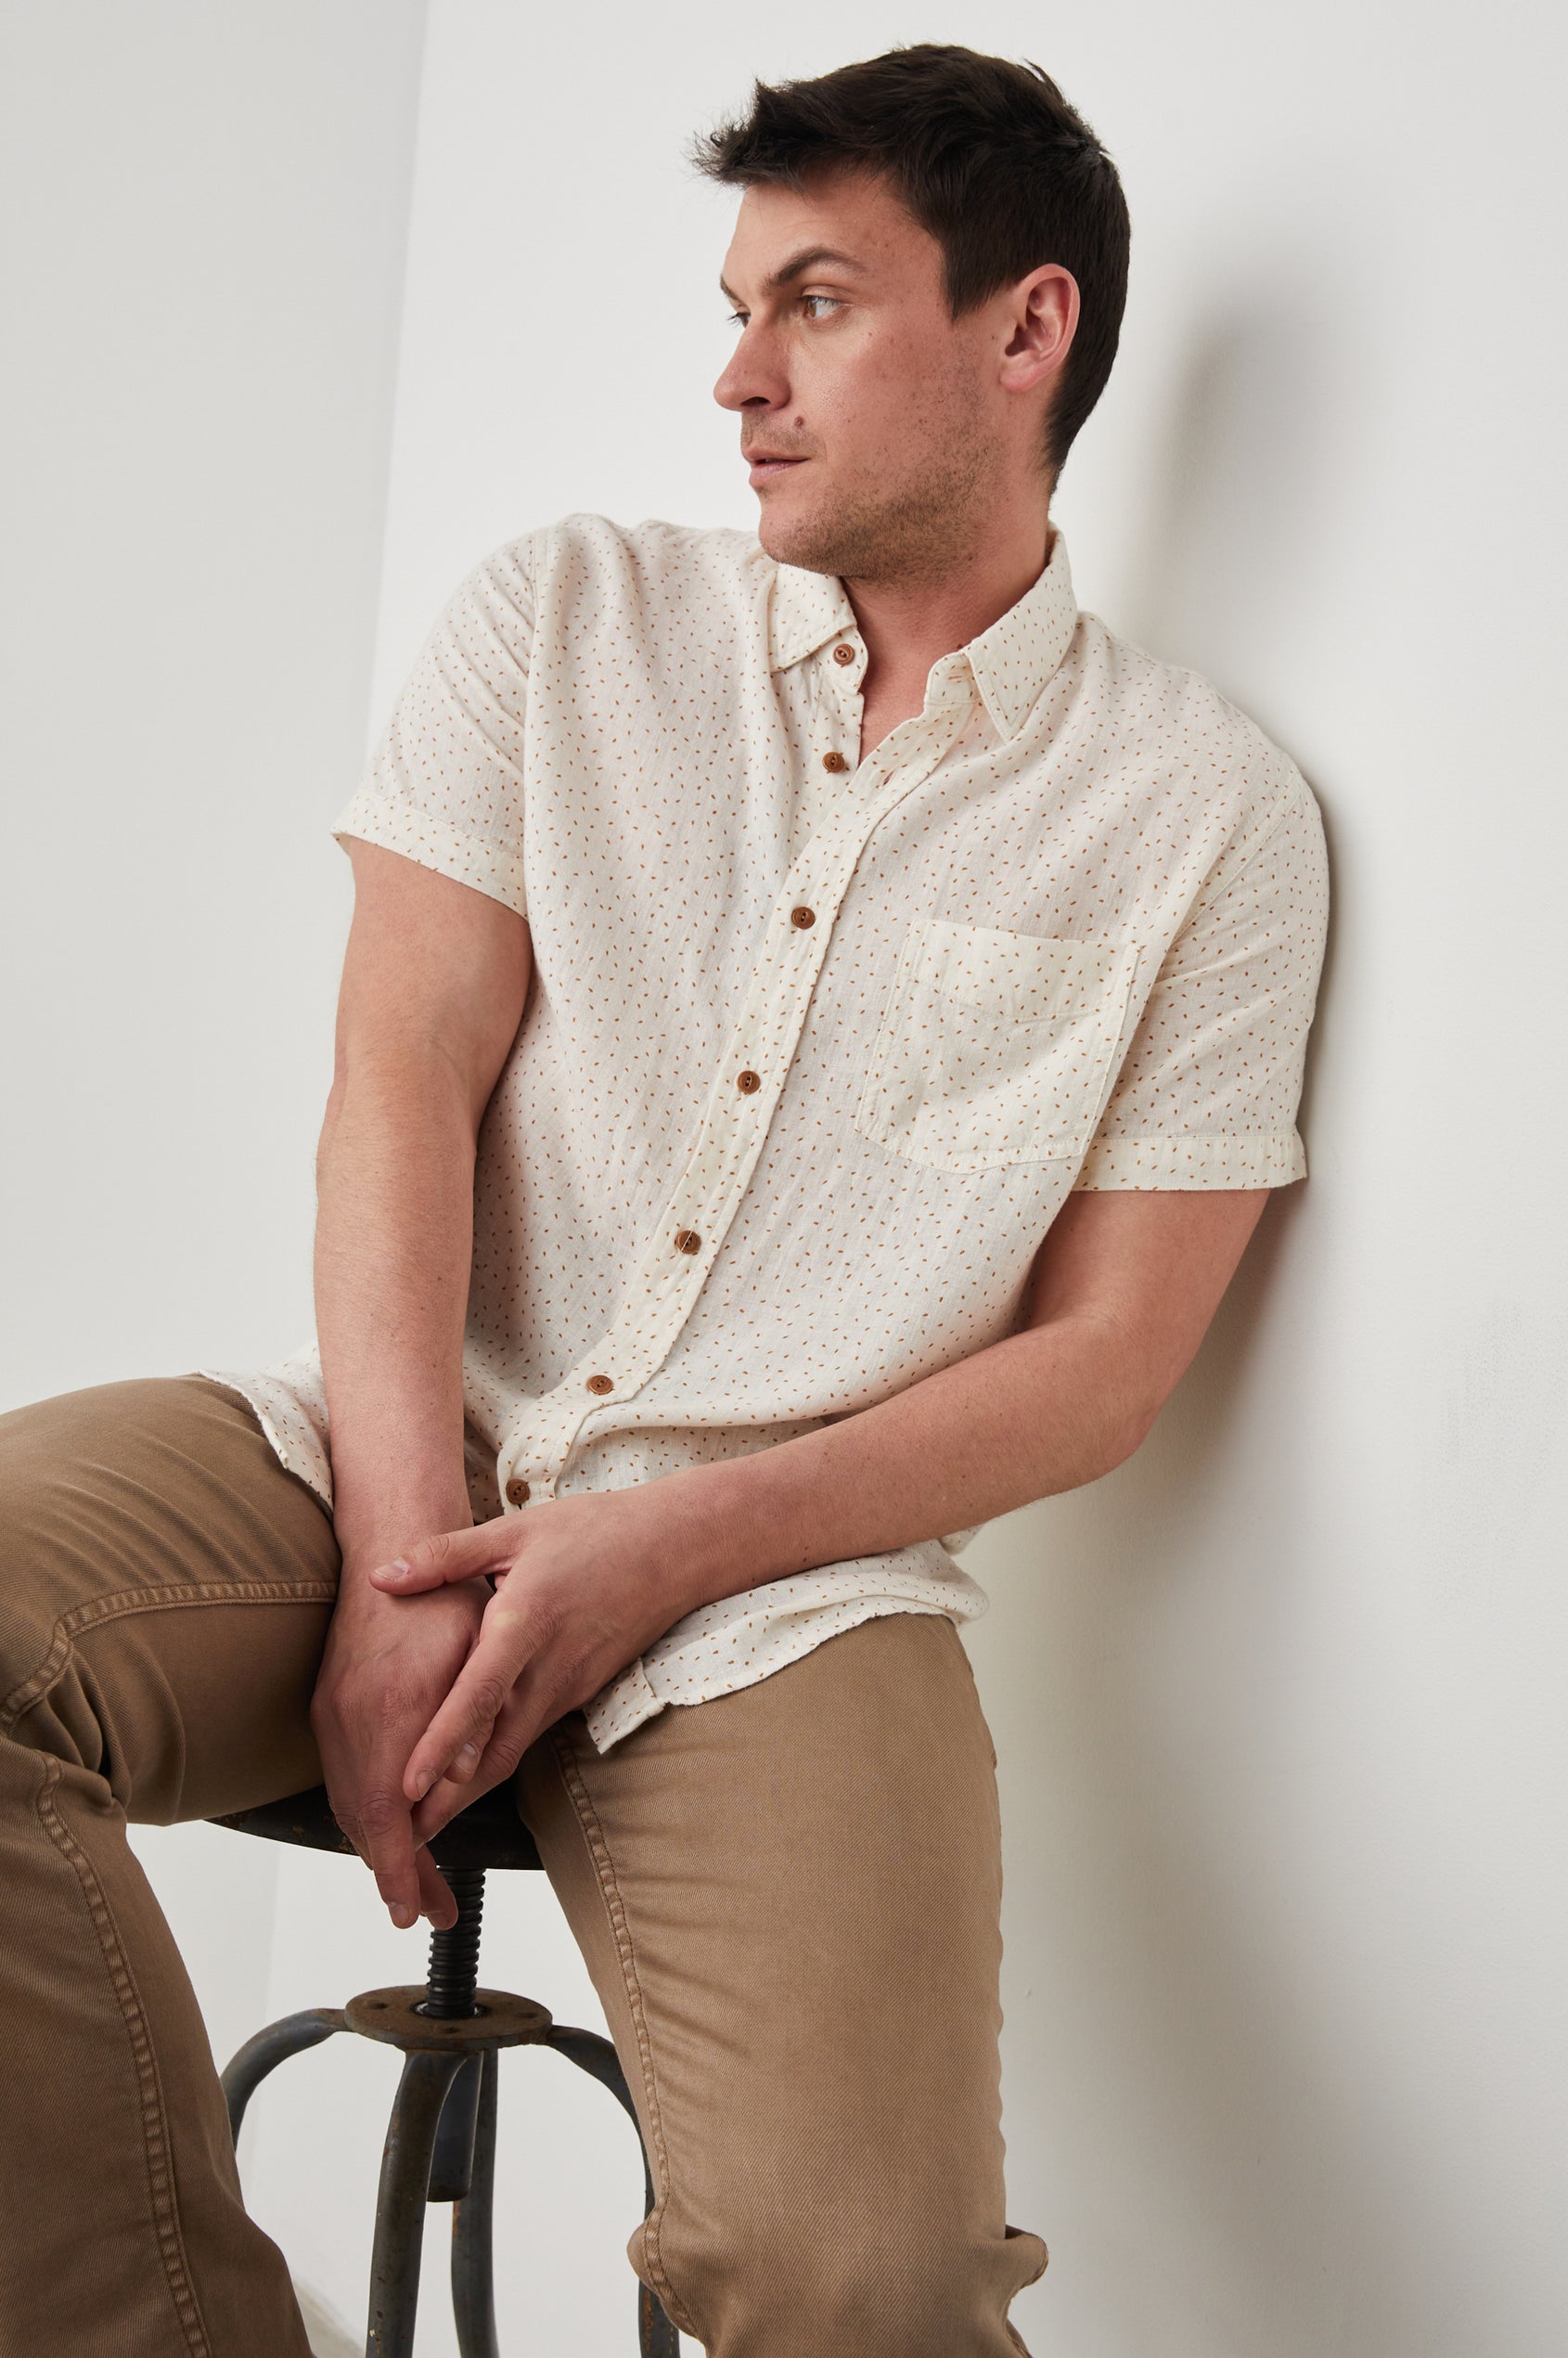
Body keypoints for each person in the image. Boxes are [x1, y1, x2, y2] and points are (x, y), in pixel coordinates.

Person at [0, 43, 1327, 2358]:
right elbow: (396, 1084)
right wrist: (406, 1548)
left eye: (813, 303)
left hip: (782, 1592)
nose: (736, 378)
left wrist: (655, 1544)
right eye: (736, 308)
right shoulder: (557, 622)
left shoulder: (1203, 814)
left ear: (1026, 329)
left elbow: (1105, 1363)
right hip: (382, 1451)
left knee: (863, 2280)